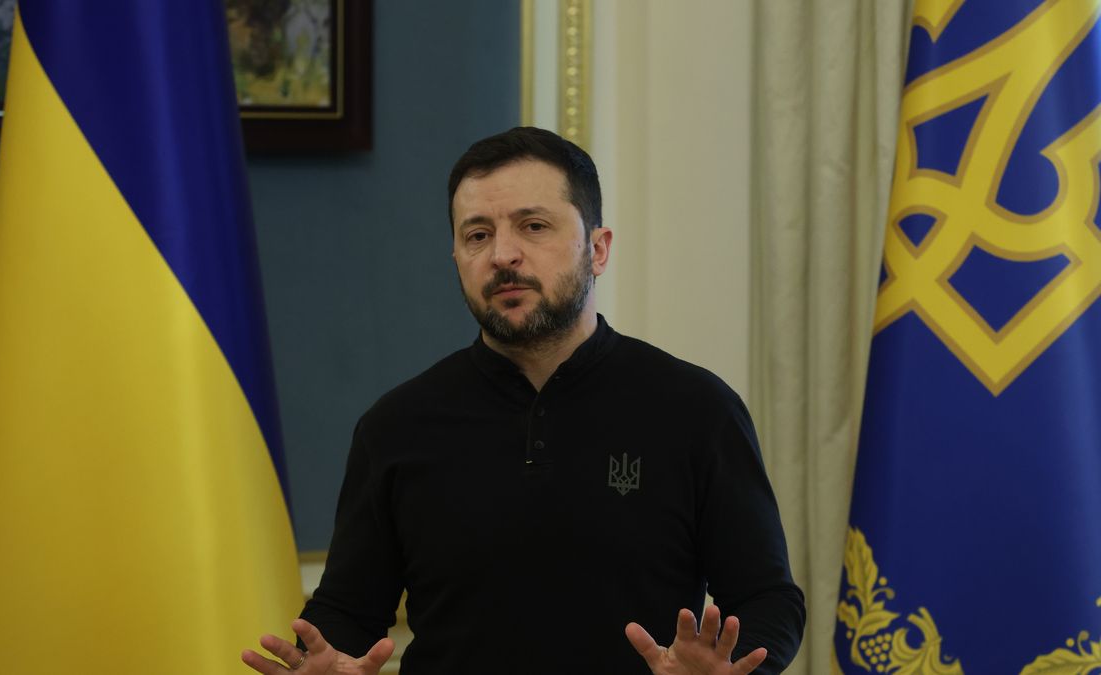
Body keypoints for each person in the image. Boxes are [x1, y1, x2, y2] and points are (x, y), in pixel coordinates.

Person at [241, 127, 805, 674]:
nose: (502, 254)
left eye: (533, 226)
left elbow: (768, 599)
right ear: (457, 258)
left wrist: (731, 667)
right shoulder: (396, 426)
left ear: (598, 248)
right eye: (477, 235)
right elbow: (347, 611)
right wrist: (326, 659)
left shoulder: (696, 408)